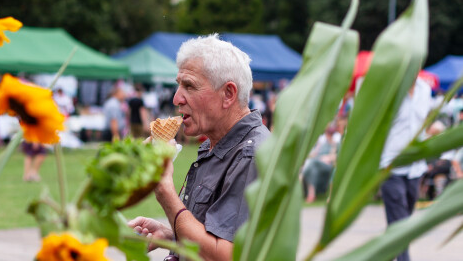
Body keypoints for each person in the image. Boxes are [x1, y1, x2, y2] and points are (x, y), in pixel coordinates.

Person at [128, 34, 270, 260]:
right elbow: (212, 233)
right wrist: (172, 235)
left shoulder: (251, 155)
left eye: (189, 86)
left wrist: (164, 191)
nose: (176, 99)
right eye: (178, 85)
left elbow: (226, 256)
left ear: (228, 94)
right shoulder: (215, 145)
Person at [380, 78, 432, 261]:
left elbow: (424, 123)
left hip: (415, 167)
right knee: (400, 221)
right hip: (390, 165)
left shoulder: (425, 89)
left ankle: (383, 252)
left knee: (402, 220)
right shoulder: (390, 88)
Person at [302, 124, 339, 203]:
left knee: (311, 163)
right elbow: (314, 154)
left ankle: (303, 174)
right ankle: (311, 194)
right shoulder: (322, 143)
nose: (329, 135)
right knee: (313, 169)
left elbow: (336, 156)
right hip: (316, 163)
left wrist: (327, 157)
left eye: (330, 133)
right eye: (328, 133)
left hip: (327, 165)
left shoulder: (335, 144)